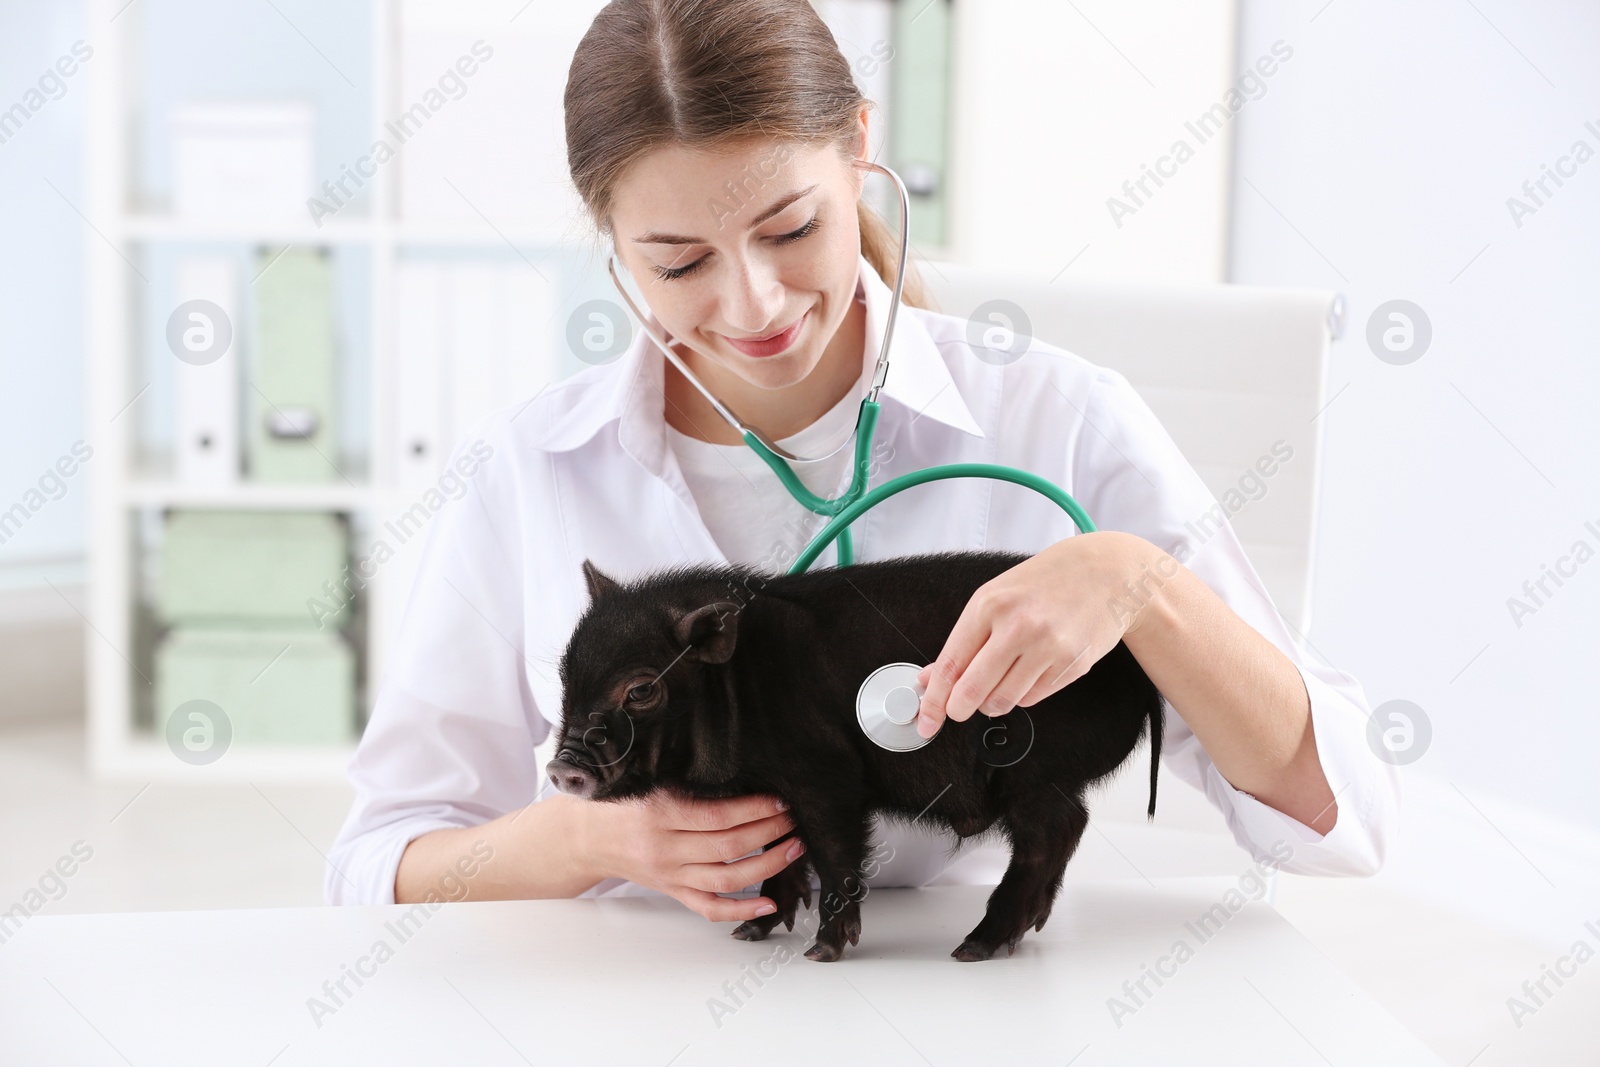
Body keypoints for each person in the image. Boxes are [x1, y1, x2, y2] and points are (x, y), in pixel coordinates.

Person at [326, 0, 1399, 919]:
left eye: (791, 228)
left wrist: (1143, 586)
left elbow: (1337, 820)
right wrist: (583, 843)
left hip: (954, 996)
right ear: (610, 244)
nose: (753, 303)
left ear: (858, 151)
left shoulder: (1058, 419)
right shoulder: (530, 470)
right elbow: (375, 864)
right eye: (680, 260)